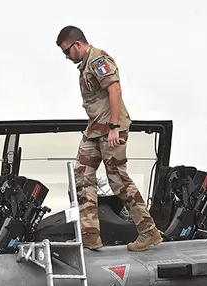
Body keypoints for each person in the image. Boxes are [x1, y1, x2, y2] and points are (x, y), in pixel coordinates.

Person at [56, 25, 163, 252]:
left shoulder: (98, 60)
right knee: (82, 175)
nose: (66, 57)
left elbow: (115, 90)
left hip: (110, 128)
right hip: (95, 129)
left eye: (67, 51)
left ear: (77, 44)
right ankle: (89, 235)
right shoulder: (84, 66)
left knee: (118, 180)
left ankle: (148, 231)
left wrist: (114, 127)